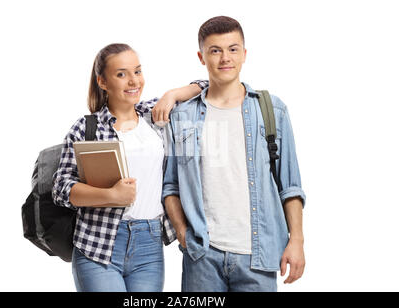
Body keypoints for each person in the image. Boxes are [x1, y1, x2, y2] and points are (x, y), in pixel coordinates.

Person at [162, 16, 306, 292]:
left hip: (258, 256)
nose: (225, 58)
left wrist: (296, 241)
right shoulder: (183, 116)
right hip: (202, 256)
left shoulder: (272, 111)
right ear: (201, 57)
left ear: (244, 54)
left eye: (233, 49)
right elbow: (171, 186)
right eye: (215, 50)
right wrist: (183, 234)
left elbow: (290, 186)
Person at [52, 43, 202, 292]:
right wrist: (110, 195)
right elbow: (61, 188)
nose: (133, 81)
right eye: (121, 74)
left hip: (149, 244)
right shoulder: (87, 128)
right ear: (102, 82)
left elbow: (204, 87)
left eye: (138, 71)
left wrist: (171, 95)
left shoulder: (154, 116)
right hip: (99, 245)